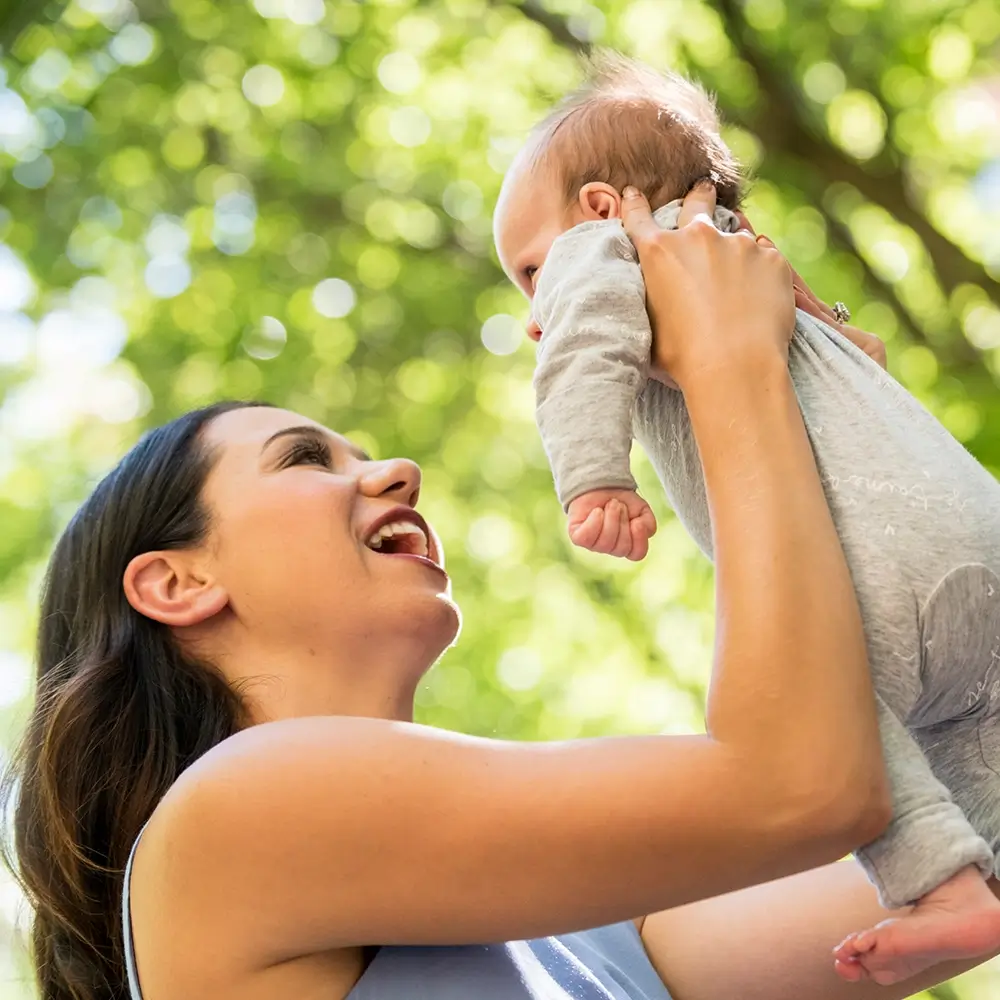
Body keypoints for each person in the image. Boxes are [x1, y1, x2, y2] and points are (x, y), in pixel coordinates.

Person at [1, 183, 995, 1000]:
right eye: (304, 457)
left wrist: (812, 370)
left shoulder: (607, 934)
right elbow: (805, 787)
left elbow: (961, 832)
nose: (395, 470)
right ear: (176, 581)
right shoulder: (229, 815)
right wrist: (727, 364)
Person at [492, 53, 1000, 987]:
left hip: (868, 572)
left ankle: (947, 888)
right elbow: (862, 360)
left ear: (604, 207)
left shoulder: (608, 250)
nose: (536, 306)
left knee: (829, 709)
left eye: (528, 269)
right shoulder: (760, 266)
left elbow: (577, 358)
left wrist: (596, 478)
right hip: (972, 523)